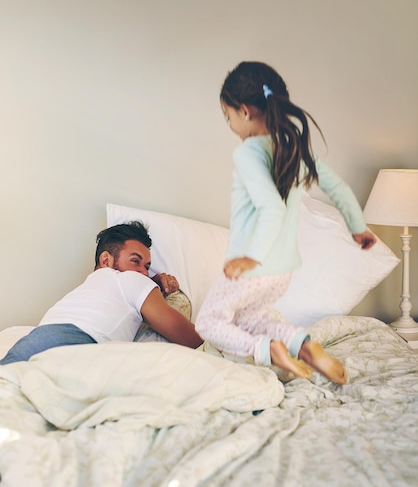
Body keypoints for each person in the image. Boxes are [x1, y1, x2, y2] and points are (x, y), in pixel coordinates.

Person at [195, 61, 376, 384]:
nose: (230, 124)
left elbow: (271, 208)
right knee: (251, 317)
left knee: (208, 323)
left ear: (245, 111)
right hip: (283, 271)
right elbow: (337, 187)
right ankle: (301, 344)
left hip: (255, 265)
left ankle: (267, 350)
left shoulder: (249, 152)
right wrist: (357, 226)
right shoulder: (294, 147)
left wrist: (251, 257)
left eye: (229, 117)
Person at [2, 221, 203, 364]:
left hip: (29, 342)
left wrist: (153, 284)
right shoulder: (132, 281)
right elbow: (185, 335)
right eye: (135, 261)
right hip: (77, 344)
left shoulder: (84, 290)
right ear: (106, 260)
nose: (143, 271)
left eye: (148, 266)